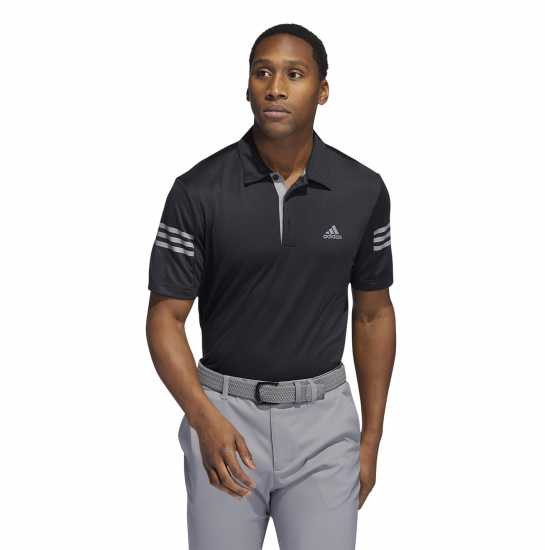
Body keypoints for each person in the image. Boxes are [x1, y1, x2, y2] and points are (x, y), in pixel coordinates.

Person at [146, 22, 396, 550]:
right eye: (263, 73)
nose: (275, 88)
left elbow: (373, 313)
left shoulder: (363, 190)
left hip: (325, 428)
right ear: (247, 87)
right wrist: (204, 419)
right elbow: (165, 318)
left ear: (322, 90)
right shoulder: (197, 191)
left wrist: (371, 439)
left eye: (294, 75)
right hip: (224, 420)